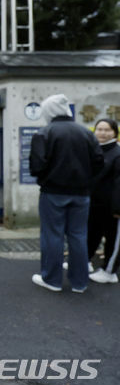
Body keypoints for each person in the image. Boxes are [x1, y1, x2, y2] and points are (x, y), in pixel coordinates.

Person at [29, 94, 103, 293]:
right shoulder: (86, 133)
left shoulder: (44, 133)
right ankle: (80, 282)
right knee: (78, 235)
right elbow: (98, 162)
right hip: (82, 193)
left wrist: (47, 178)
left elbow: (36, 166)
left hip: (53, 192)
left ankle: (52, 280)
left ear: (49, 111)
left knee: (53, 235)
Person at [87, 118, 120, 284]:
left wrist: (117, 208)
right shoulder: (94, 150)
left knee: (113, 239)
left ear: (114, 132)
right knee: (92, 234)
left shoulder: (117, 153)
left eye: (107, 130)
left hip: (111, 207)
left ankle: (109, 272)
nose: (102, 133)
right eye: (99, 129)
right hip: (95, 204)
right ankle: (85, 261)